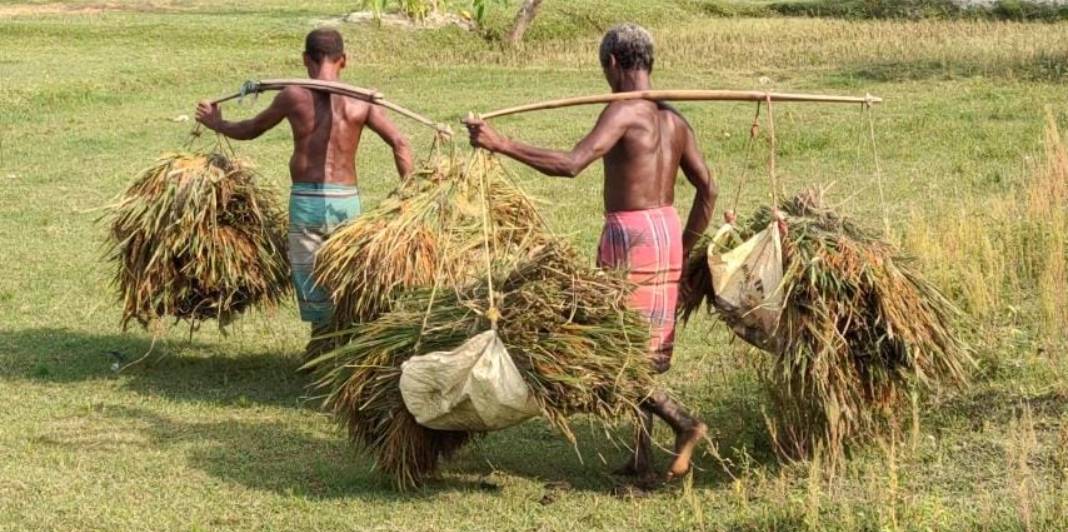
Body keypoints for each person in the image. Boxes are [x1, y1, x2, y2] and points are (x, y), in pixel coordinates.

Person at [465, 23, 716, 483]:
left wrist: (500, 143)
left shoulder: (624, 113)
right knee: (637, 350)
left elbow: (572, 163)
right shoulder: (674, 119)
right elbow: (709, 190)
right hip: (665, 233)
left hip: (631, 236)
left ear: (614, 65)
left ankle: (685, 424)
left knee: (616, 349)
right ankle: (641, 460)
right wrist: (683, 249)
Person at [195, 28, 413, 341]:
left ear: (305, 60)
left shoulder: (293, 96)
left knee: (312, 277)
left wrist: (217, 124)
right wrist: (409, 195)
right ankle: (343, 341)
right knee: (345, 273)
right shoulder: (361, 101)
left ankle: (323, 341)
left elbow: (252, 129)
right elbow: (401, 144)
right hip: (346, 202)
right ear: (344, 61)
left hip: (307, 203)